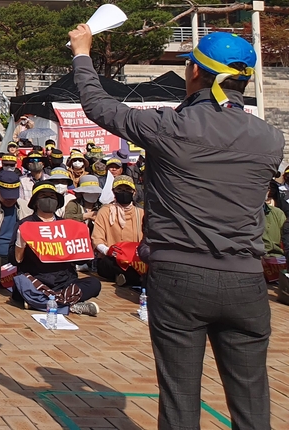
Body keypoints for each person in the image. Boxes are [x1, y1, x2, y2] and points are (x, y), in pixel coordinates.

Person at [70, 25, 283, 430]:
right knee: (253, 402)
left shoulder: (169, 126)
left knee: (180, 398)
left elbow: (99, 106)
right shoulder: (271, 138)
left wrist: (82, 53)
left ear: (194, 72)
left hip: (180, 277)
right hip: (247, 281)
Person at [12, 182, 101, 316]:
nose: (48, 199)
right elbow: (15, 260)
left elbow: (81, 261)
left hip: (64, 281)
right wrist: (21, 243)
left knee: (94, 284)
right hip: (37, 279)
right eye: (43, 196)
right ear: (36, 202)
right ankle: (70, 305)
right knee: (20, 286)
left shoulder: (68, 226)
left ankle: (42, 303)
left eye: (52, 196)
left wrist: (84, 243)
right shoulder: (25, 225)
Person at [92, 174, 144, 287]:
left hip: (134, 258)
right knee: (109, 264)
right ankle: (128, 278)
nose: (123, 192)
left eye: (127, 189)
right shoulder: (105, 211)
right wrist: (108, 251)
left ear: (134, 192)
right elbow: (97, 239)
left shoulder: (140, 213)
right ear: (114, 192)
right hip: (111, 257)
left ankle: (124, 278)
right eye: (119, 189)